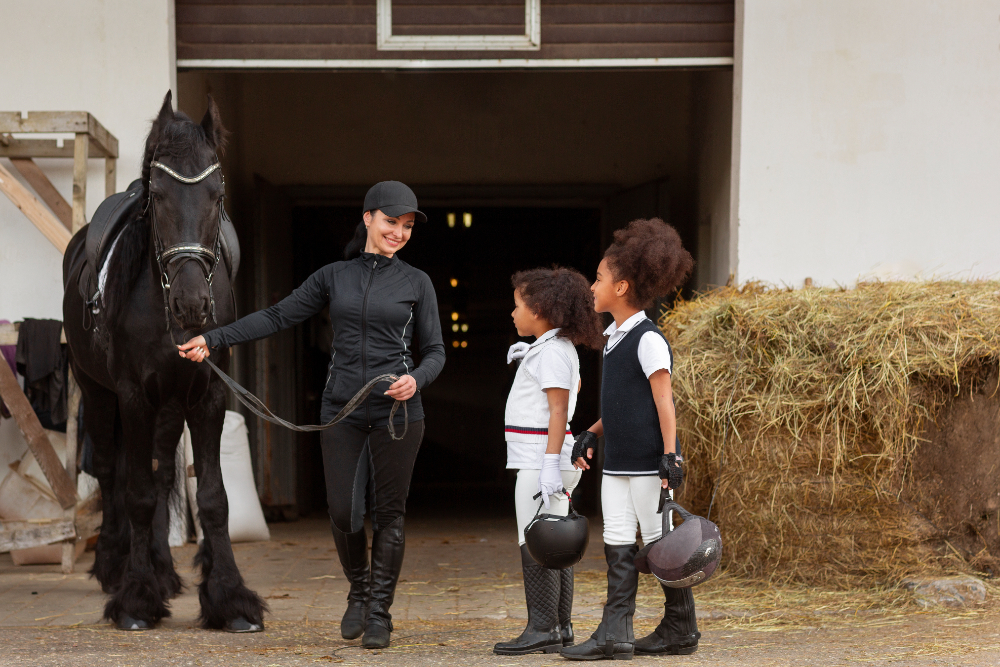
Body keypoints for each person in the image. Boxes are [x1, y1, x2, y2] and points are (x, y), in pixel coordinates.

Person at [178, 181, 445, 650]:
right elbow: (278, 316)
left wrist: (417, 379)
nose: (399, 233)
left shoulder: (416, 282)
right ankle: (358, 589)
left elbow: (436, 351)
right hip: (341, 407)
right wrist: (214, 338)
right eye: (391, 222)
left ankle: (379, 611)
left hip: (400, 412)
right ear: (367, 218)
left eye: (406, 227)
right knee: (344, 513)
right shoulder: (333, 276)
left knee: (389, 515)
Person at [561, 218, 696, 661]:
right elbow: (622, 405)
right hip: (616, 462)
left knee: (661, 547)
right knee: (618, 543)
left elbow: (664, 402)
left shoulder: (647, 338)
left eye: (598, 279)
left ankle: (680, 627)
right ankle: (615, 632)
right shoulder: (615, 338)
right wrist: (589, 432)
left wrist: (671, 457)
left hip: (644, 463)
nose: (592, 286)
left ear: (620, 288)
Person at [494, 267, 604, 656]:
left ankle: (542, 627)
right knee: (554, 540)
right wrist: (530, 354)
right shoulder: (551, 348)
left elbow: (558, 412)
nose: (513, 314)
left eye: (517, 306)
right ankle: (560, 626)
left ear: (540, 309)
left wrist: (546, 464)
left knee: (535, 541)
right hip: (544, 457)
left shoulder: (554, 352)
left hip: (541, 459)